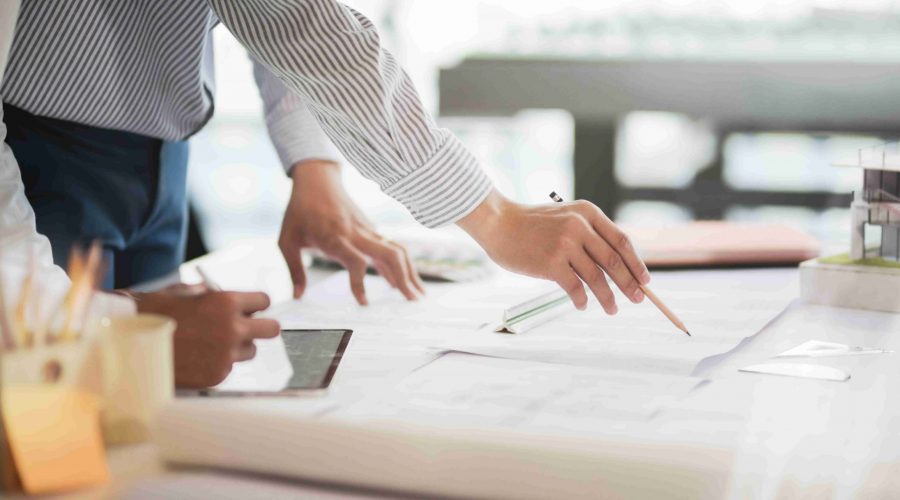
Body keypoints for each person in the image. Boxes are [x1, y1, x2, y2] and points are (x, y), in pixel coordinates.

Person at [2, 0, 651, 316]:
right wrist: (494, 217)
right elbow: (303, 26)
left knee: (148, 413)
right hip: (43, 162)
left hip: (166, 161)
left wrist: (314, 166)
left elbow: (280, 22)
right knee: (55, 418)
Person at [0, 0, 279, 388]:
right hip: (53, 160)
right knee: (55, 389)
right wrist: (121, 326)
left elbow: (292, 20)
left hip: (169, 159)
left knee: (162, 395)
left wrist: (315, 164)